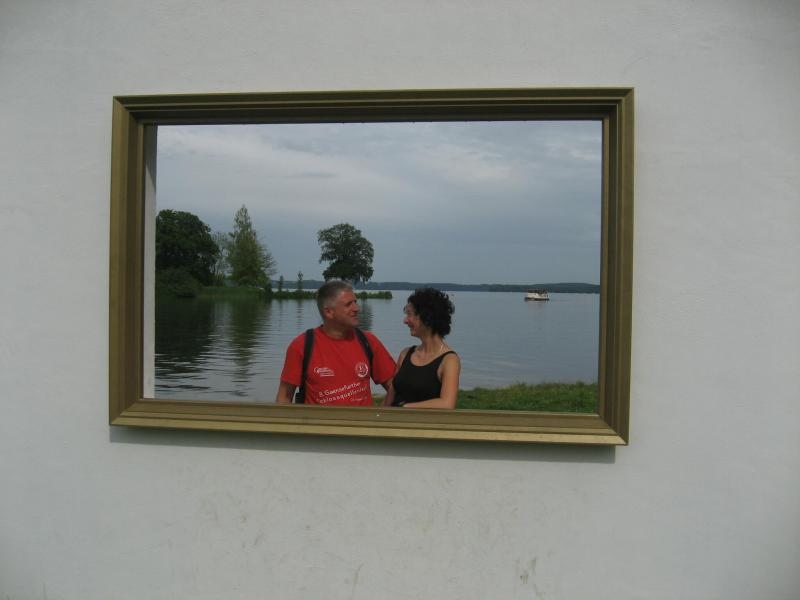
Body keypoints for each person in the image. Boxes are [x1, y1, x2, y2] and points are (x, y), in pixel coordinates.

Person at [275, 280, 396, 406]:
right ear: (328, 312)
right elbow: (284, 397)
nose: (357, 308)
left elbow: (396, 388)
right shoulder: (302, 345)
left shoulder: (368, 341)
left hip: (362, 419)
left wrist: (379, 414)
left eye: (355, 302)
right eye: (348, 304)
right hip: (316, 419)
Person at [384, 288, 460, 409]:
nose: (405, 321)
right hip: (393, 419)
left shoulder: (449, 360)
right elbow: (389, 399)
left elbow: (447, 404)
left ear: (426, 317)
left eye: (409, 314)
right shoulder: (405, 354)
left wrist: (405, 407)